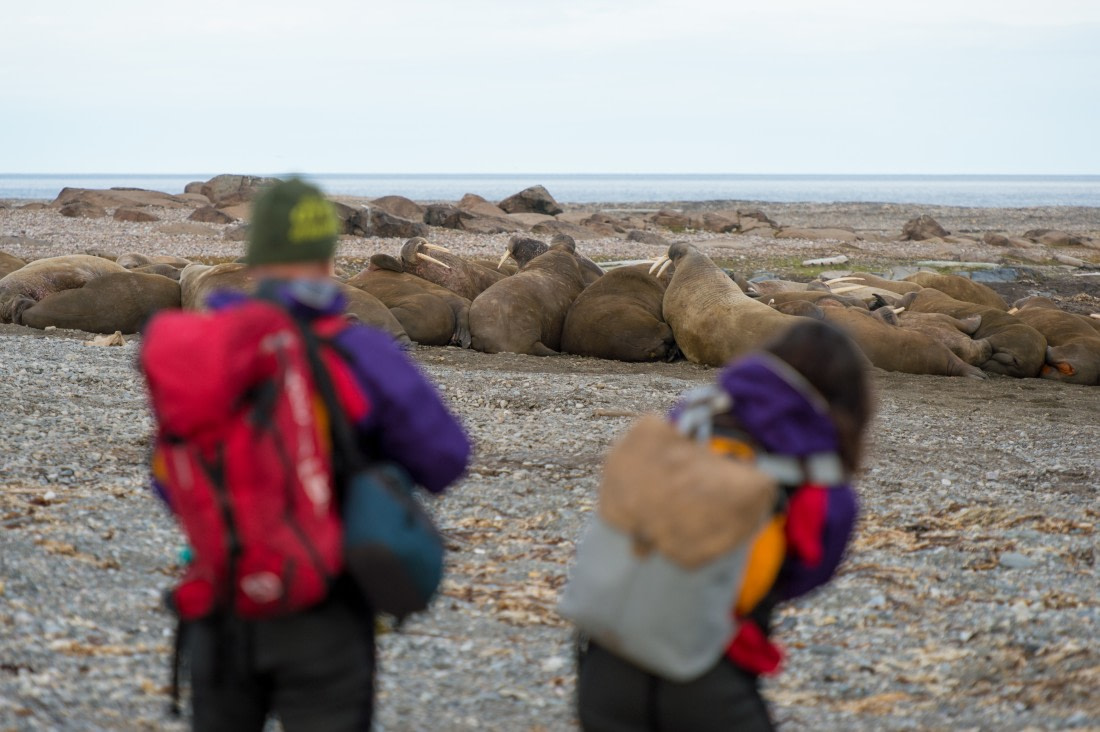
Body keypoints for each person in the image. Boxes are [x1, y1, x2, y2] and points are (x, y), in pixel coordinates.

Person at [144, 177, 471, 731]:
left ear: (255, 261)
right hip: (324, 612)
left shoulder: (204, 351)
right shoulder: (354, 349)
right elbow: (446, 458)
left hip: (217, 608)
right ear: (327, 256)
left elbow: (166, 477)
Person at [576, 319, 874, 731]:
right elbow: (807, 574)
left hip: (606, 654)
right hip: (709, 667)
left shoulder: (691, 415)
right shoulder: (822, 479)